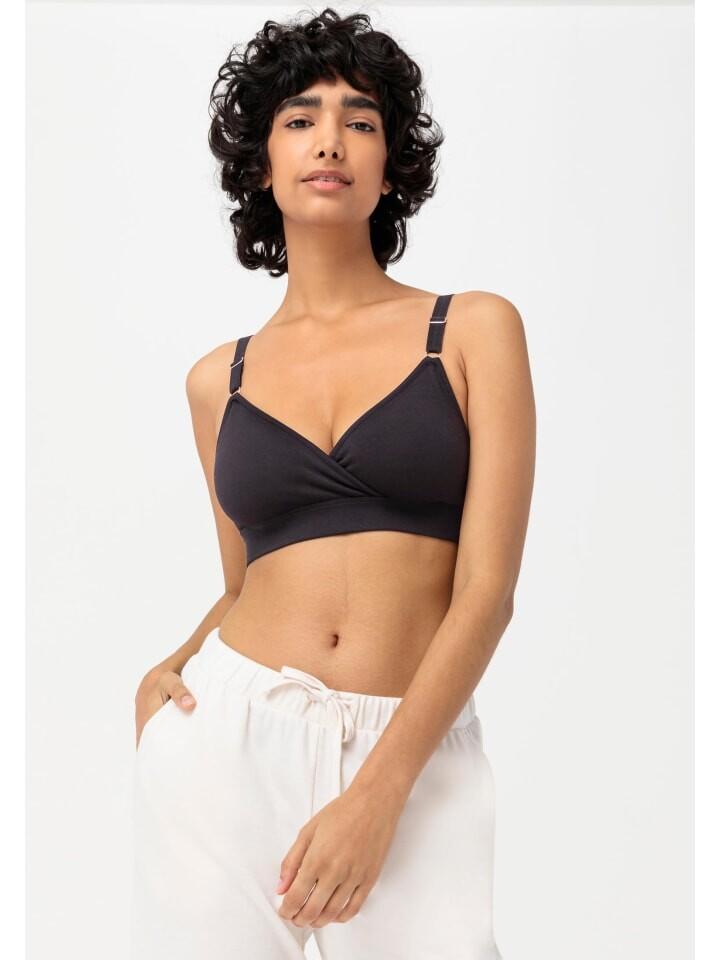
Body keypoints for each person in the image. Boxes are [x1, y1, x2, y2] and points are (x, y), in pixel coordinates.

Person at [131, 8, 535, 959]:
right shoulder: (216, 381)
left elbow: (487, 591)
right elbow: (245, 583)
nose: (330, 140)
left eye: (360, 120)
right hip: (225, 747)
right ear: (261, 164)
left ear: (389, 166)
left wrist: (380, 791)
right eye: (300, 118)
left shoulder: (473, 330)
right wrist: (172, 663)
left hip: (413, 751)